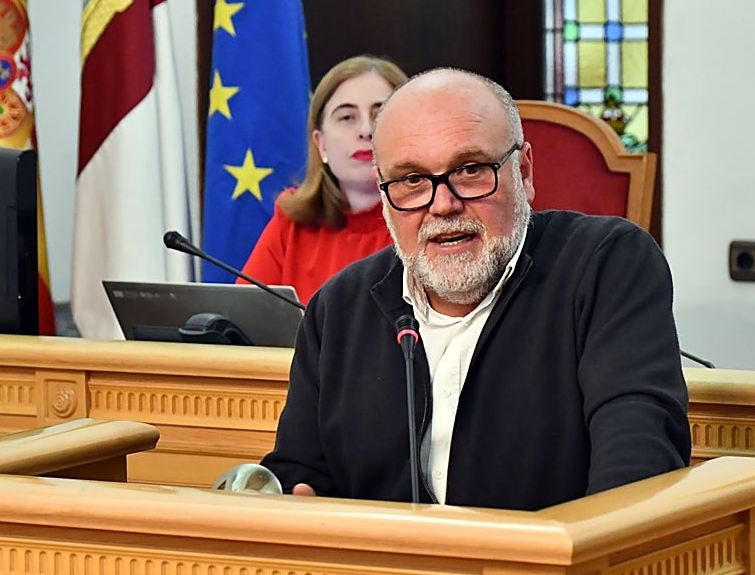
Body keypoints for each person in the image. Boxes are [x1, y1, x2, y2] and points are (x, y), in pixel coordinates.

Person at [260, 68, 691, 510]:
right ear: (385, 194)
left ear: (523, 171)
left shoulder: (605, 264)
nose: (442, 205)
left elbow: (638, 467)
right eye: (411, 181)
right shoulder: (339, 308)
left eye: (469, 170)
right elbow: (298, 475)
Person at [241, 55, 408, 303]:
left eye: (380, 115)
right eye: (347, 117)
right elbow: (243, 321)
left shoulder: (430, 220)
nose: (366, 130)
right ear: (321, 145)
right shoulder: (291, 224)